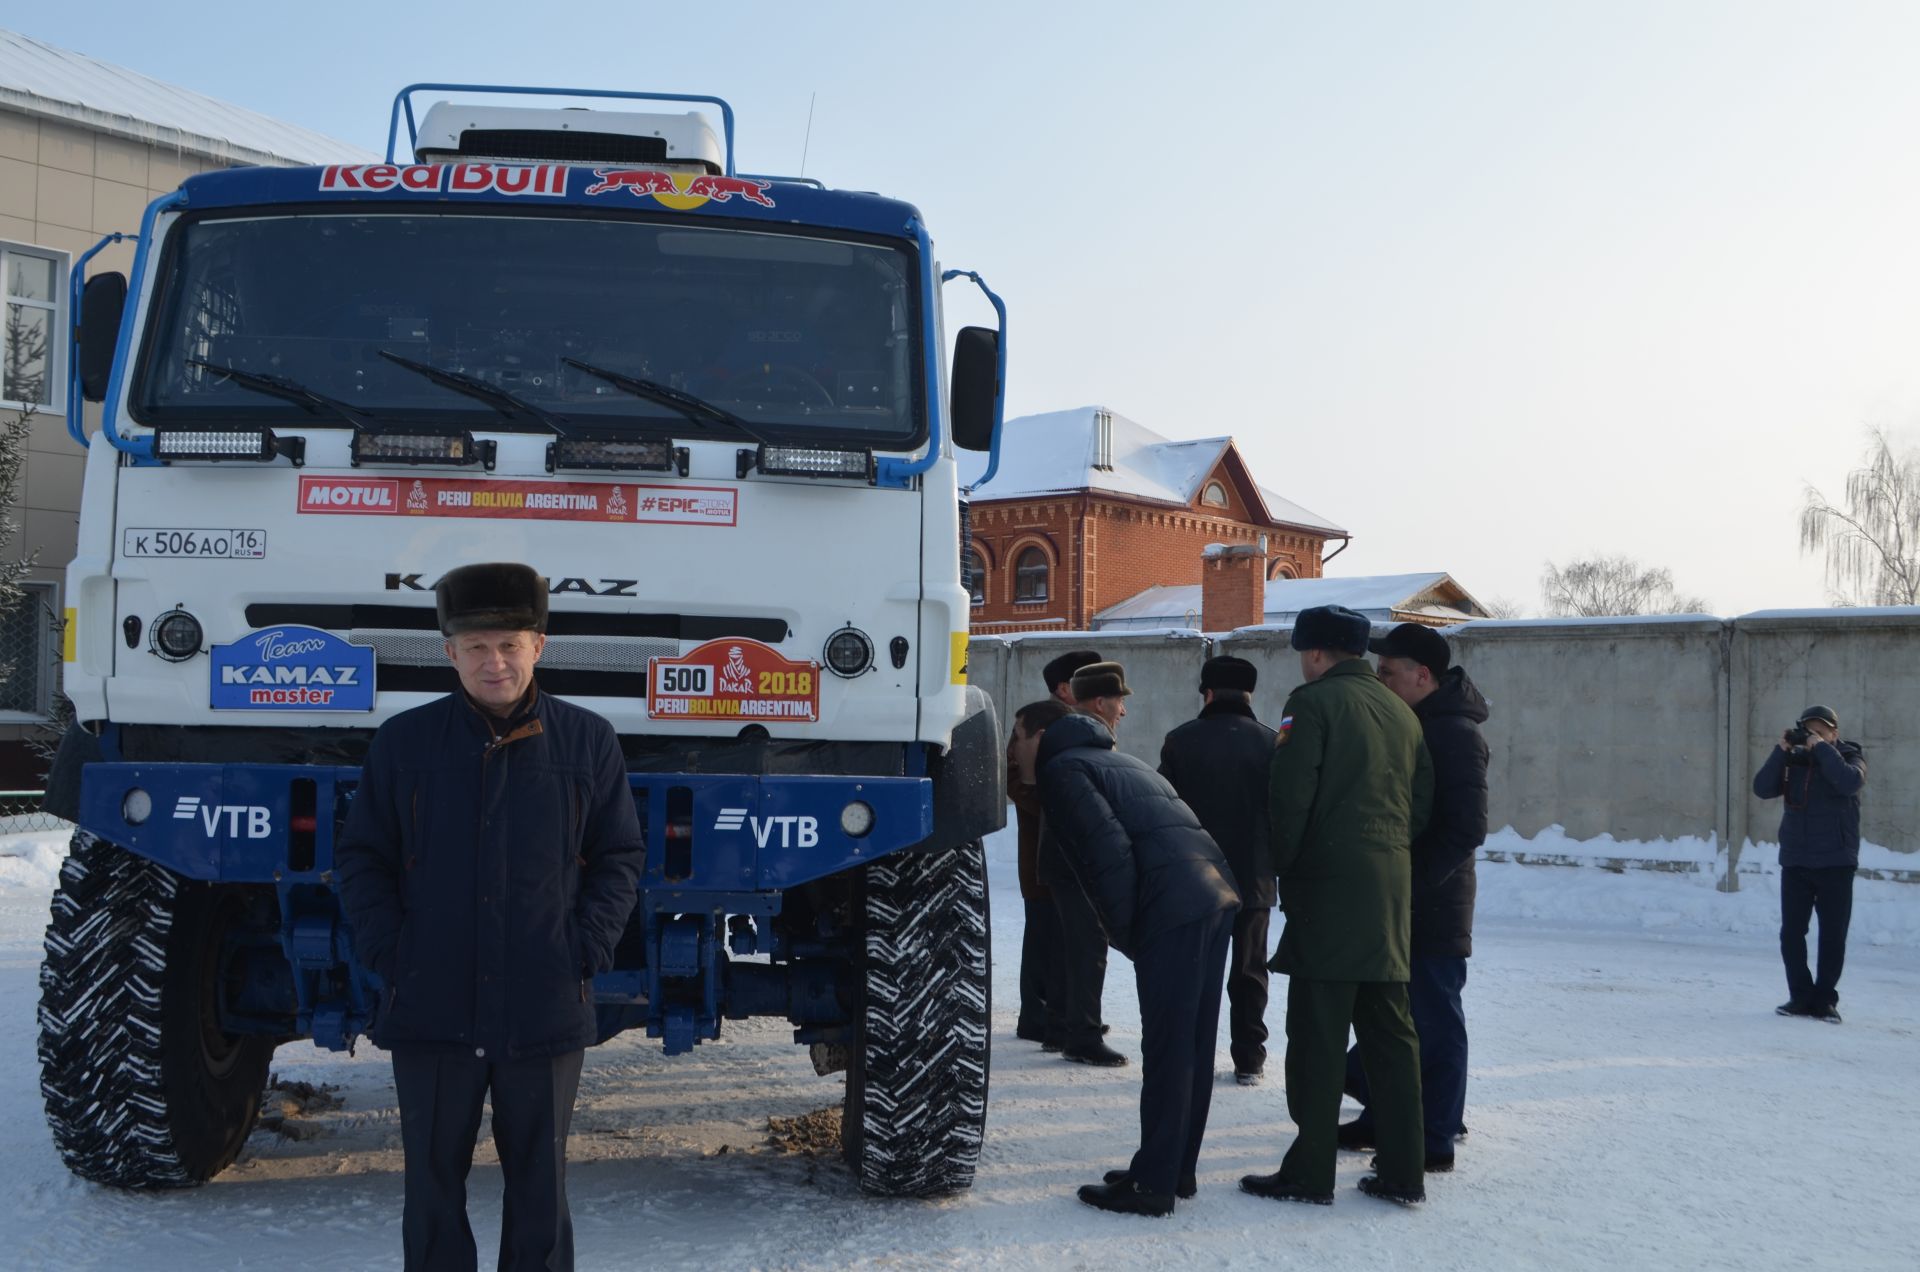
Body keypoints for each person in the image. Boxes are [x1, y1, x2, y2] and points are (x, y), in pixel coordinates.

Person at [337, 563, 646, 1272]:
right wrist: (395, 954)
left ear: (539, 644)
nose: (494, 661)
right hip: (431, 1000)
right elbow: (362, 857)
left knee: (541, 1190)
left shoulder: (587, 741)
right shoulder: (404, 744)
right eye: (476, 647)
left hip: (543, 1001)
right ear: (450, 653)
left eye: (508, 643)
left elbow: (620, 854)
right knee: (432, 1194)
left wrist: (584, 949)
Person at [1014, 697, 1241, 1217]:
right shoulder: (1116, 759)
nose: (1013, 753)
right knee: (1191, 1044)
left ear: (1041, 735)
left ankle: (1152, 1185)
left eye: (1017, 738)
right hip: (1214, 895)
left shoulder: (1063, 772)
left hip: (1174, 907)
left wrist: (1131, 933)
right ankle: (1172, 1168)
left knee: (1166, 1048)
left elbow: (1107, 855)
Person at [1242, 604, 1433, 1209]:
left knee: (1319, 1035)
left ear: (1317, 652)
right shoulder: (1402, 713)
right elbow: (1422, 802)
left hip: (1329, 887)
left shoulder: (1313, 702)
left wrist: (1287, 865)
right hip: (1389, 890)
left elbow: (1290, 793)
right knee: (1392, 1035)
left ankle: (1310, 1172)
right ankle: (1405, 1169)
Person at [1339, 623, 1489, 1171]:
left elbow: (1465, 828)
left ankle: (1435, 1137)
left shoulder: (1452, 732)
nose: (1379, 682)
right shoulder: (1416, 722)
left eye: (1388, 673)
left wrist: (1408, 886)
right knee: (1393, 1017)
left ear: (1422, 676)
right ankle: (1383, 1116)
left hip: (1433, 907)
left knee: (1434, 1021)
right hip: (1404, 902)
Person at [1157, 655, 1278, 1086]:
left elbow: (1165, 811)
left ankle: (1188, 1054)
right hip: (1255, 878)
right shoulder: (1271, 743)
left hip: (1196, 877)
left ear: (1207, 693)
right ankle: (1249, 1057)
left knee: (1193, 969)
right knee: (1249, 971)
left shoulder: (1180, 740)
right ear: (1249, 694)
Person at [1037, 658, 1131, 1066]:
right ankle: (1083, 1036)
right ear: (1098, 702)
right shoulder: (1089, 739)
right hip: (1078, 859)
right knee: (1089, 946)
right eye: (1117, 701)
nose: (1122, 710)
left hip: (1061, 856)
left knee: (1066, 944)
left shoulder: (1063, 734)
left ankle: (1062, 1024)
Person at [1752, 704, 1867, 1024]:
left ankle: (1825, 1000)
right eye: (1809, 729)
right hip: (1797, 860)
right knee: (1791, 933)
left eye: (1821, 730)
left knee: (1832, 935)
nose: (1814, 735)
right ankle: (1800, 996)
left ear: (1834, 733)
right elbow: (1762, 788)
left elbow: (1848, 782)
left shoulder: (1850, 757)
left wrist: (1821, 749)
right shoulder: (1793, 760)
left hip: (1836, 862)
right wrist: (1781, 750)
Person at [1011, 649, 1102, 1046]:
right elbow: (1016, 782)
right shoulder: (1035, 721)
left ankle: (1061, 1016)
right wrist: (1060, 805)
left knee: (1062, 938)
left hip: (1062, 850)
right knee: (1045, 936)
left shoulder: (1077, 721)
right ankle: (1038, 1019)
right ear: (1065, 688)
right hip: (1043, 853)